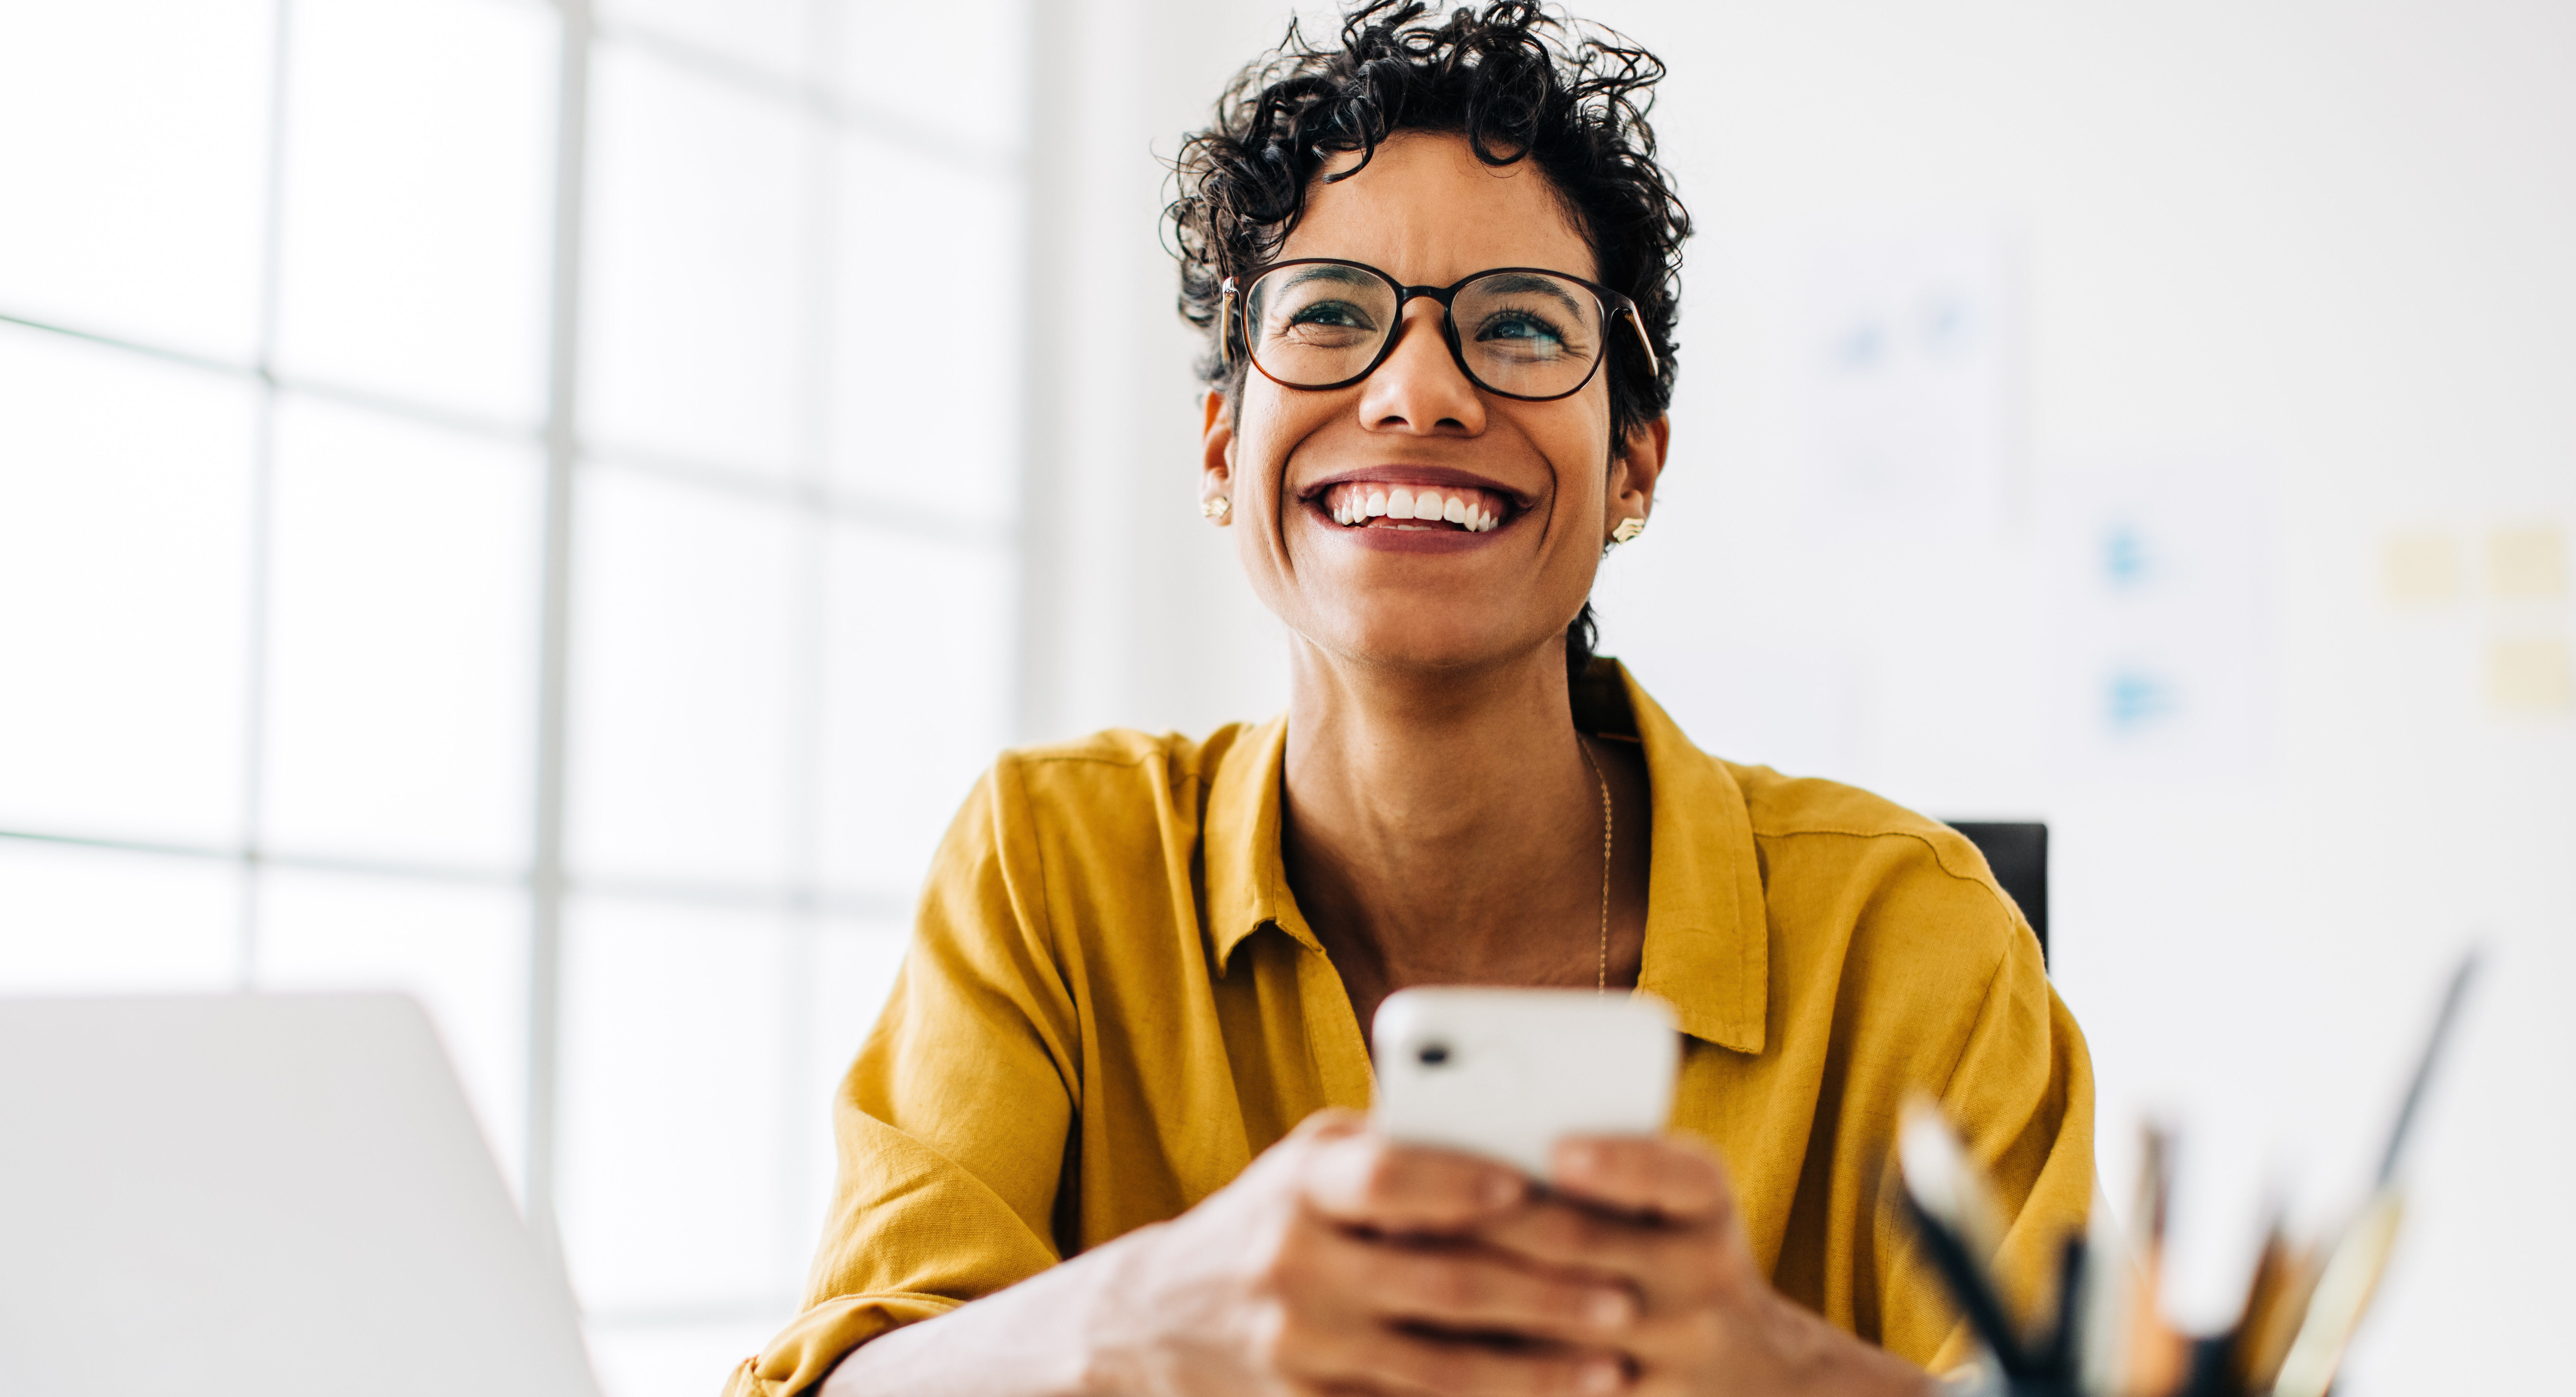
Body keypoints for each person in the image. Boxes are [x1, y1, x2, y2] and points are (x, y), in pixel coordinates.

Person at [725, 5, 2092, 1394]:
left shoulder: (1915, 936)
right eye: (1327, 314)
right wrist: (1150, 1313)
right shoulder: (1048, 864)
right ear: (1219, 447)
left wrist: (1773, 1370)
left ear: (1633, 462)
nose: (1417, 390)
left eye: (1517, 323)